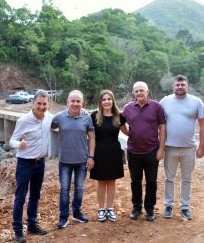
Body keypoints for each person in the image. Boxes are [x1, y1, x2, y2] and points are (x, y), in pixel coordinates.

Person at [10, 90, 53, 243]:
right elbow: (12, 140)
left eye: (44, 104)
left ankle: (32, 225)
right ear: (33, 103)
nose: (42, 106)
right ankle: (18, 231)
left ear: (48, 104)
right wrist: (19, 144)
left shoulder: (49, 117)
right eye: (39, 103)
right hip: (24, 163)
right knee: (20, 197)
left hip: (40, 163)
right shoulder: (23, 120)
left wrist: (80, 110)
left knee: (35, 195)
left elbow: (64, 117)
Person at [160, 75, 204, 220]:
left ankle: (185, 206)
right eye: (177, 85)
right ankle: (168, 205)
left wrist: (201, 146)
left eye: (182, 85)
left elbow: (202, 125)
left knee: (187, 179)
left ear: (187, 85)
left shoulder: (196, 102)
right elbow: (158, 124)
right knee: (169, 178)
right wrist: (159, 146)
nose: (180, 87)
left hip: (189, 148)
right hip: (170, 147)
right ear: (173, 86)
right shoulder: (165, 101)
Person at [51, 90, 95, 229]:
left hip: (82, 160)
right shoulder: (59, 117)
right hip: (64, 161)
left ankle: (77, 213)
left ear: (82, 103)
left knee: (79, 188)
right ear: (67, 102)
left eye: (78, 101)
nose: (75, 104)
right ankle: (63, 218)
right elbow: (48, 129)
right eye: (73, 101)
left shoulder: (87, 118)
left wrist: (91, 157)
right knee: (64, 189)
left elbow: (92, 138)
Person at [122, 81, 166, 222]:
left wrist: (161, 149)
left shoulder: (156, 106)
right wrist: (129, 133)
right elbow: (120, 123)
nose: (139, 93)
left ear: (147, 91)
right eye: (136, 91)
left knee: (151, 181)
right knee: (135, 181)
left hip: (152, 151)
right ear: (133, 93)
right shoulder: (128, 108)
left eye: (142, 90)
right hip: (133, 152)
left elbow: (162, 127)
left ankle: (149, 209)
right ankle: (136, 208)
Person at [90, 90, 127, 222]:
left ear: (113, 101)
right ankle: (101, 209)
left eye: (109, 99)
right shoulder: (94, 116)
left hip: (114, 152)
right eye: (104, 99)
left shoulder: (119, 116)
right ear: (100, 102)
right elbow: (89, 135)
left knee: (112, 181)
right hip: (99, 152)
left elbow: (127, 132)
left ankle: (110, 208)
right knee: (101, 181)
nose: (106, 101)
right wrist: (90, 156)